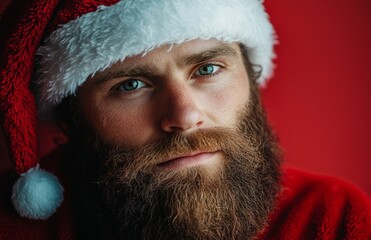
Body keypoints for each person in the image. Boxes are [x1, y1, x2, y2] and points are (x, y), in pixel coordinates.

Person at [0, 0, 370, 239]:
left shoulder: (332, 218)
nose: (184, 116)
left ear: (252, 78)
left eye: (207, 68)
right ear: (70, 116)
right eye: (131, 84)